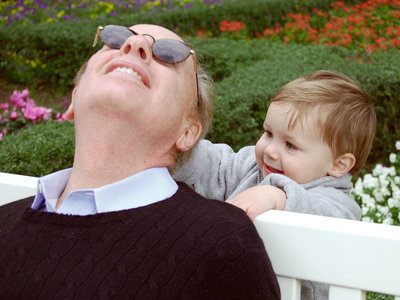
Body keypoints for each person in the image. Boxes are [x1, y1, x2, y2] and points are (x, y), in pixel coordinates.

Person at [0, 24, 280, 299]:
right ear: (74, 101)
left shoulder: (222, 244)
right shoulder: (4, 222)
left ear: (187, 132)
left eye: (169, 54)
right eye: (115, 38)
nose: (135, 44)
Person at [173, 70, 376, 299]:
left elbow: (326, 218)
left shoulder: (337, 203)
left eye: (290, 145)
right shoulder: (252, 167)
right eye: (268, 133)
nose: (269, 150)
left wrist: (277, 195)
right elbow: (215, 164)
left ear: (338, 164)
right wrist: (174, 146)